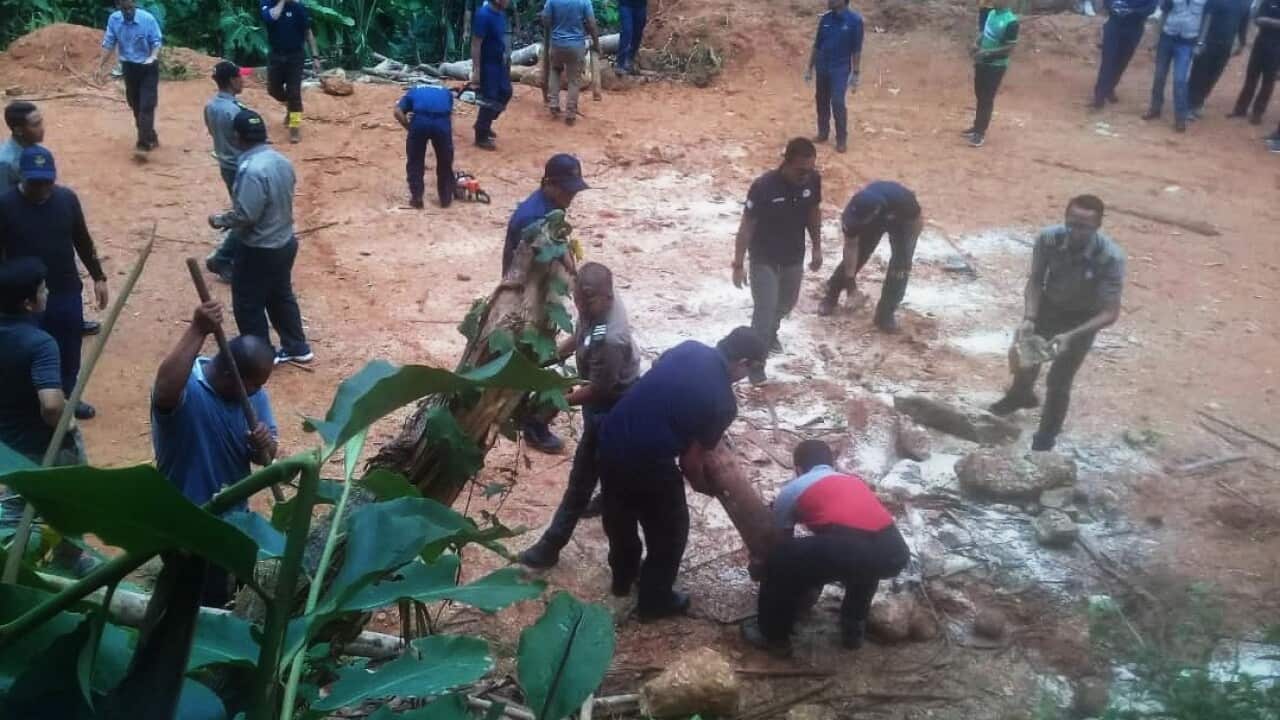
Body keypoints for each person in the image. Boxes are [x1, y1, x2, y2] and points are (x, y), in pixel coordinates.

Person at [596, 327, 766, 621]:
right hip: (648, 460)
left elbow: (661, 374)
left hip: (610, 439)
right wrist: (704, 487)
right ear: (744, 363)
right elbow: (690, 462)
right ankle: (655, 600)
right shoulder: (724, 403)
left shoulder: (690, 347)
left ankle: (622, 578)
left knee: (620, 516)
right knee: (671, 532)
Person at [152, 300, 278, 606]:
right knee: (190, 603)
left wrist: (264, 446)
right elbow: (164, 391)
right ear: (229, 377)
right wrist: (197, 328)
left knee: (222, 595)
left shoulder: (255, 396)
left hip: (232, 524)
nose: (260, 390)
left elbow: (268, 456)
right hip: (185, 522)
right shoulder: (188, 388)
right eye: (255, 384)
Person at [519, 263, 640, 569]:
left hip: (612, 408)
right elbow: (581, 335)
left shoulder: (612, 338)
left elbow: (600, 389)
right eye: (578, 299)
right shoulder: (594, 310)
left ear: (607, 296)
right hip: (598, 398)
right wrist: (549, 359)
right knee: (612, 474)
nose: (581, 306)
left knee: (581, 481)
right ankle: (606, 495)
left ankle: (551, 545)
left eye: (588, 300)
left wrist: (554, 398)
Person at [740, 440, 909, 656]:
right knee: (865, 564)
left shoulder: (793, 489)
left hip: (852, 549)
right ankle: (853, 627)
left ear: (798, 469)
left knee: (780, 558)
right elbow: (856, 526)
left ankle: (771, 635)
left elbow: (782, 542)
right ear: (831, 464)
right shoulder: (852, 481)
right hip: (894, 552)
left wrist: (763, 565)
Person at [989, 195, 1125, 452]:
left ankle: (1045, 438)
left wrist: (1071, 336)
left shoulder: (1110, 258)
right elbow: (1035, 280)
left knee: (1059, 382)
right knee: (1024, 358)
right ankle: (1020, 396)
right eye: (1071, 223)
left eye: (1084, 227)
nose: (1075, 231)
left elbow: (1110, 313)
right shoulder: (1049, 239)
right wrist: (1030, 317)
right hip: (1049, 307)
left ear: (1097, 227)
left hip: (1083, 319)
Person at [0, 258, 94, 576]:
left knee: (12, 510)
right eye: (42, 289)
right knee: (73, 503)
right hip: (46, 445)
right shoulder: (40, 345)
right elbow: (52, 404)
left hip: (9, 445)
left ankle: (6, 563)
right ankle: (70, 561)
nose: (47, 292)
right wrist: (66, 424)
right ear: (28, 303)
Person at [0, 146, 108, 421]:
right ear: (21, 176)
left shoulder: (67, 200)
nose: (42, 188)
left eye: (47, 181)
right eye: (36, 182)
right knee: (31, 349)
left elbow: (82, 240)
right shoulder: (5, 205)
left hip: (65, 289)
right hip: (25, 297)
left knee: (69, 347)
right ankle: (34, 402)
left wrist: (98, 276)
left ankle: (69, 397)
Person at [208, 109, 314, 366]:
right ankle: (297, 346)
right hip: (285, 241)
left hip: (259, 247)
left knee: (248, 301)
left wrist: (220, 220)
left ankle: (260, 356)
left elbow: (246, 215)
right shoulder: (281, 161)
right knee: (280, 295)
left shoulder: (251, 169)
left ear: (237, 136)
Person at [502, 154, 591, 453]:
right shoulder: (533, 219)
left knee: (538, 351)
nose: (571, 196)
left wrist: (574, 272)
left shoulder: (552, 207)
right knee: (533, 356)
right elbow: (546, 254)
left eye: (574, 190)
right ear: (549, 184)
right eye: (567, 189)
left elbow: (560, 245)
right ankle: (532, 423)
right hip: (525, 298)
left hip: (541, 291)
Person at [732, 138, 823, 384]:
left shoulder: (813, 181)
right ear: (787, 162)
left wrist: (817, 247)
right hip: (764, 258)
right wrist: (738, 264)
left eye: (810, 170)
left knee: (785, 305)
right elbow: (747, 226)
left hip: (794, 256)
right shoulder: (763, 187)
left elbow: (814, 214)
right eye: (801, 170)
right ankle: (755, 362)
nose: (806, 176)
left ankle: (770, 334)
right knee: (765, 310)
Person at [817, 181, 923, 332]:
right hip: (877, 219)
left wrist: (905, 251)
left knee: (900, 267)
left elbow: (916, 223)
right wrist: (851, 284)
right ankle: (831, 295)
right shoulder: (853, 213)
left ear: (874, 213)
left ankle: (885, 314)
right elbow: (851, 247)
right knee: (860, 253)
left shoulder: (905, 203)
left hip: (904, 222)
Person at [94, 0, 163, 154]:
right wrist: (100, 65)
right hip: (129, 67)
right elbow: (109, 42)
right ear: (118, 7)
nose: (128, 12)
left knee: (147, 105)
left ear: (135, 4)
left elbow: (156, 42)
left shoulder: (147, 19)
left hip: (147, 67)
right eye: (124, 9)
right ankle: (150, 135)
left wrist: (153, 56)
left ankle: (143, 145)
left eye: (131, 8)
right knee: (135, 104)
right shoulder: (114, 20)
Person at [204, 61, 247, 283]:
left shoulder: (210, 107)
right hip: (240, 167)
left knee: (245, 213)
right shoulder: (236, 111)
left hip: (225, 163)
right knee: (248, 216)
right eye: (240, 76)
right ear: (231, 81)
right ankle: (221, 258)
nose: (243, 79)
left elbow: (211, 132)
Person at [806, 0, 864, 154]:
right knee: (821, 99)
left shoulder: (855, 21)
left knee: (837, 101)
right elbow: (817, 45)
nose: (829, 1)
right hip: (822, 65)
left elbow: (857, 49)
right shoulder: (825, 19)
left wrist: (856, 73)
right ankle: (823, 132)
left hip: (840, 68)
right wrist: (810, 67)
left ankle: (841, 139)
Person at [262, 0, 323, 144]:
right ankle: (291, 106)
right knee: (273, 90)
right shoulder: (267, 4)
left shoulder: (298, 8)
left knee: (294, 93)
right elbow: (273, 17)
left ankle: (294, 126)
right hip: (276, 55)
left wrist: (315, 57)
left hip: (295, 56)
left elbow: (308, 33)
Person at [1144, 0, 1211, 132]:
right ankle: (1155, 108)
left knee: (1180, 80)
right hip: (1167, 38)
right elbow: (1164, 13)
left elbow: (1207, 18)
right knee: (1159, 76)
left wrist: (1201, 42)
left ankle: (1180, 118)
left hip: (1187, 42)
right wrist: (1157, 38)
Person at [964, 0, 1019, 148]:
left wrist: (988, 52)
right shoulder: (991, 13)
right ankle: (976, 127)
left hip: (996, 65)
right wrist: (976, 43)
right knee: (980, 94)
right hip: (982, 62)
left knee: (987, 98)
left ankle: (980, 133)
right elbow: (984, 32)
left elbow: (1009, 47)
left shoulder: (1011, 22)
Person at [1188, 0, 1253, 118]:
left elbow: (1243, 24)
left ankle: (1198, 102)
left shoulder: (1244, 4)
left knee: (1214, 75)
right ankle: (1189, 104)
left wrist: (1241, 43)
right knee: (1199, 73)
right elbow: (1206, 19)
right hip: (1209, 43)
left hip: (1226, 46)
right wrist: (1200, 41)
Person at [395, 84, 455, 209]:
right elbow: (449, 112)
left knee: (415, 160)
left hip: (420, 121)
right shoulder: (446, 91)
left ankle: (417, 197)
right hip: (442, 123)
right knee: (445, 160)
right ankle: (445, 198)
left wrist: (409, 127)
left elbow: (397, 111)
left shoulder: (414, 90)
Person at [1091, 0, 1160, 109]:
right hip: (1115, 24)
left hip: (1134, 26)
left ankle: (1109, 88)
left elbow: (1151, 8)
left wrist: (1131, 12)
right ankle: (1099, 96)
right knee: (1108, 59)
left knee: (1122, 61)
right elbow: (1107, 2)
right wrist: (1114, 8)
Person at [542, 0, 601, 125]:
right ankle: (570, 113)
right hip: (576, 45)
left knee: (555, 70)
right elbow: (591, 23)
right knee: (574, 79)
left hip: (557, 44)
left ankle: (553, 103)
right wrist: (596, 43)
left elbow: (546, 20)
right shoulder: (584, 1)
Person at [1229, 0, 1280, 124]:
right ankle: (1240, 109)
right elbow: (1257, 19)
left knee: (1268, 82)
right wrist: (1273, 22)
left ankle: (1257, 113)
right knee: (1250, 78)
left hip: (1277, 48)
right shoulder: (1268, 1)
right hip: (1260, 44)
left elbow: (1262, 20)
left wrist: (1267, 20)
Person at [471, 0, 513, 150]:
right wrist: (476, 70)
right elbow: (476, 44)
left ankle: (485, 121)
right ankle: (481, 135)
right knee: (490, 97)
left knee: (506, 91)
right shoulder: (483, 15)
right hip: (487, 63)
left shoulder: (500, 14)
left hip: (498, 61)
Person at [1, 101, 44, 196]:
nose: (42, 129)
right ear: (18, 130)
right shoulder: (5, 163)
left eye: (41, 122)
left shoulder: (39, 151)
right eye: (35, 125)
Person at [616, 0, 649, 75]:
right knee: (627, 31)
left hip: (641, 5)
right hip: (625, 4)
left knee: (638, 33)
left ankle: (630, 58)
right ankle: (620, 63)